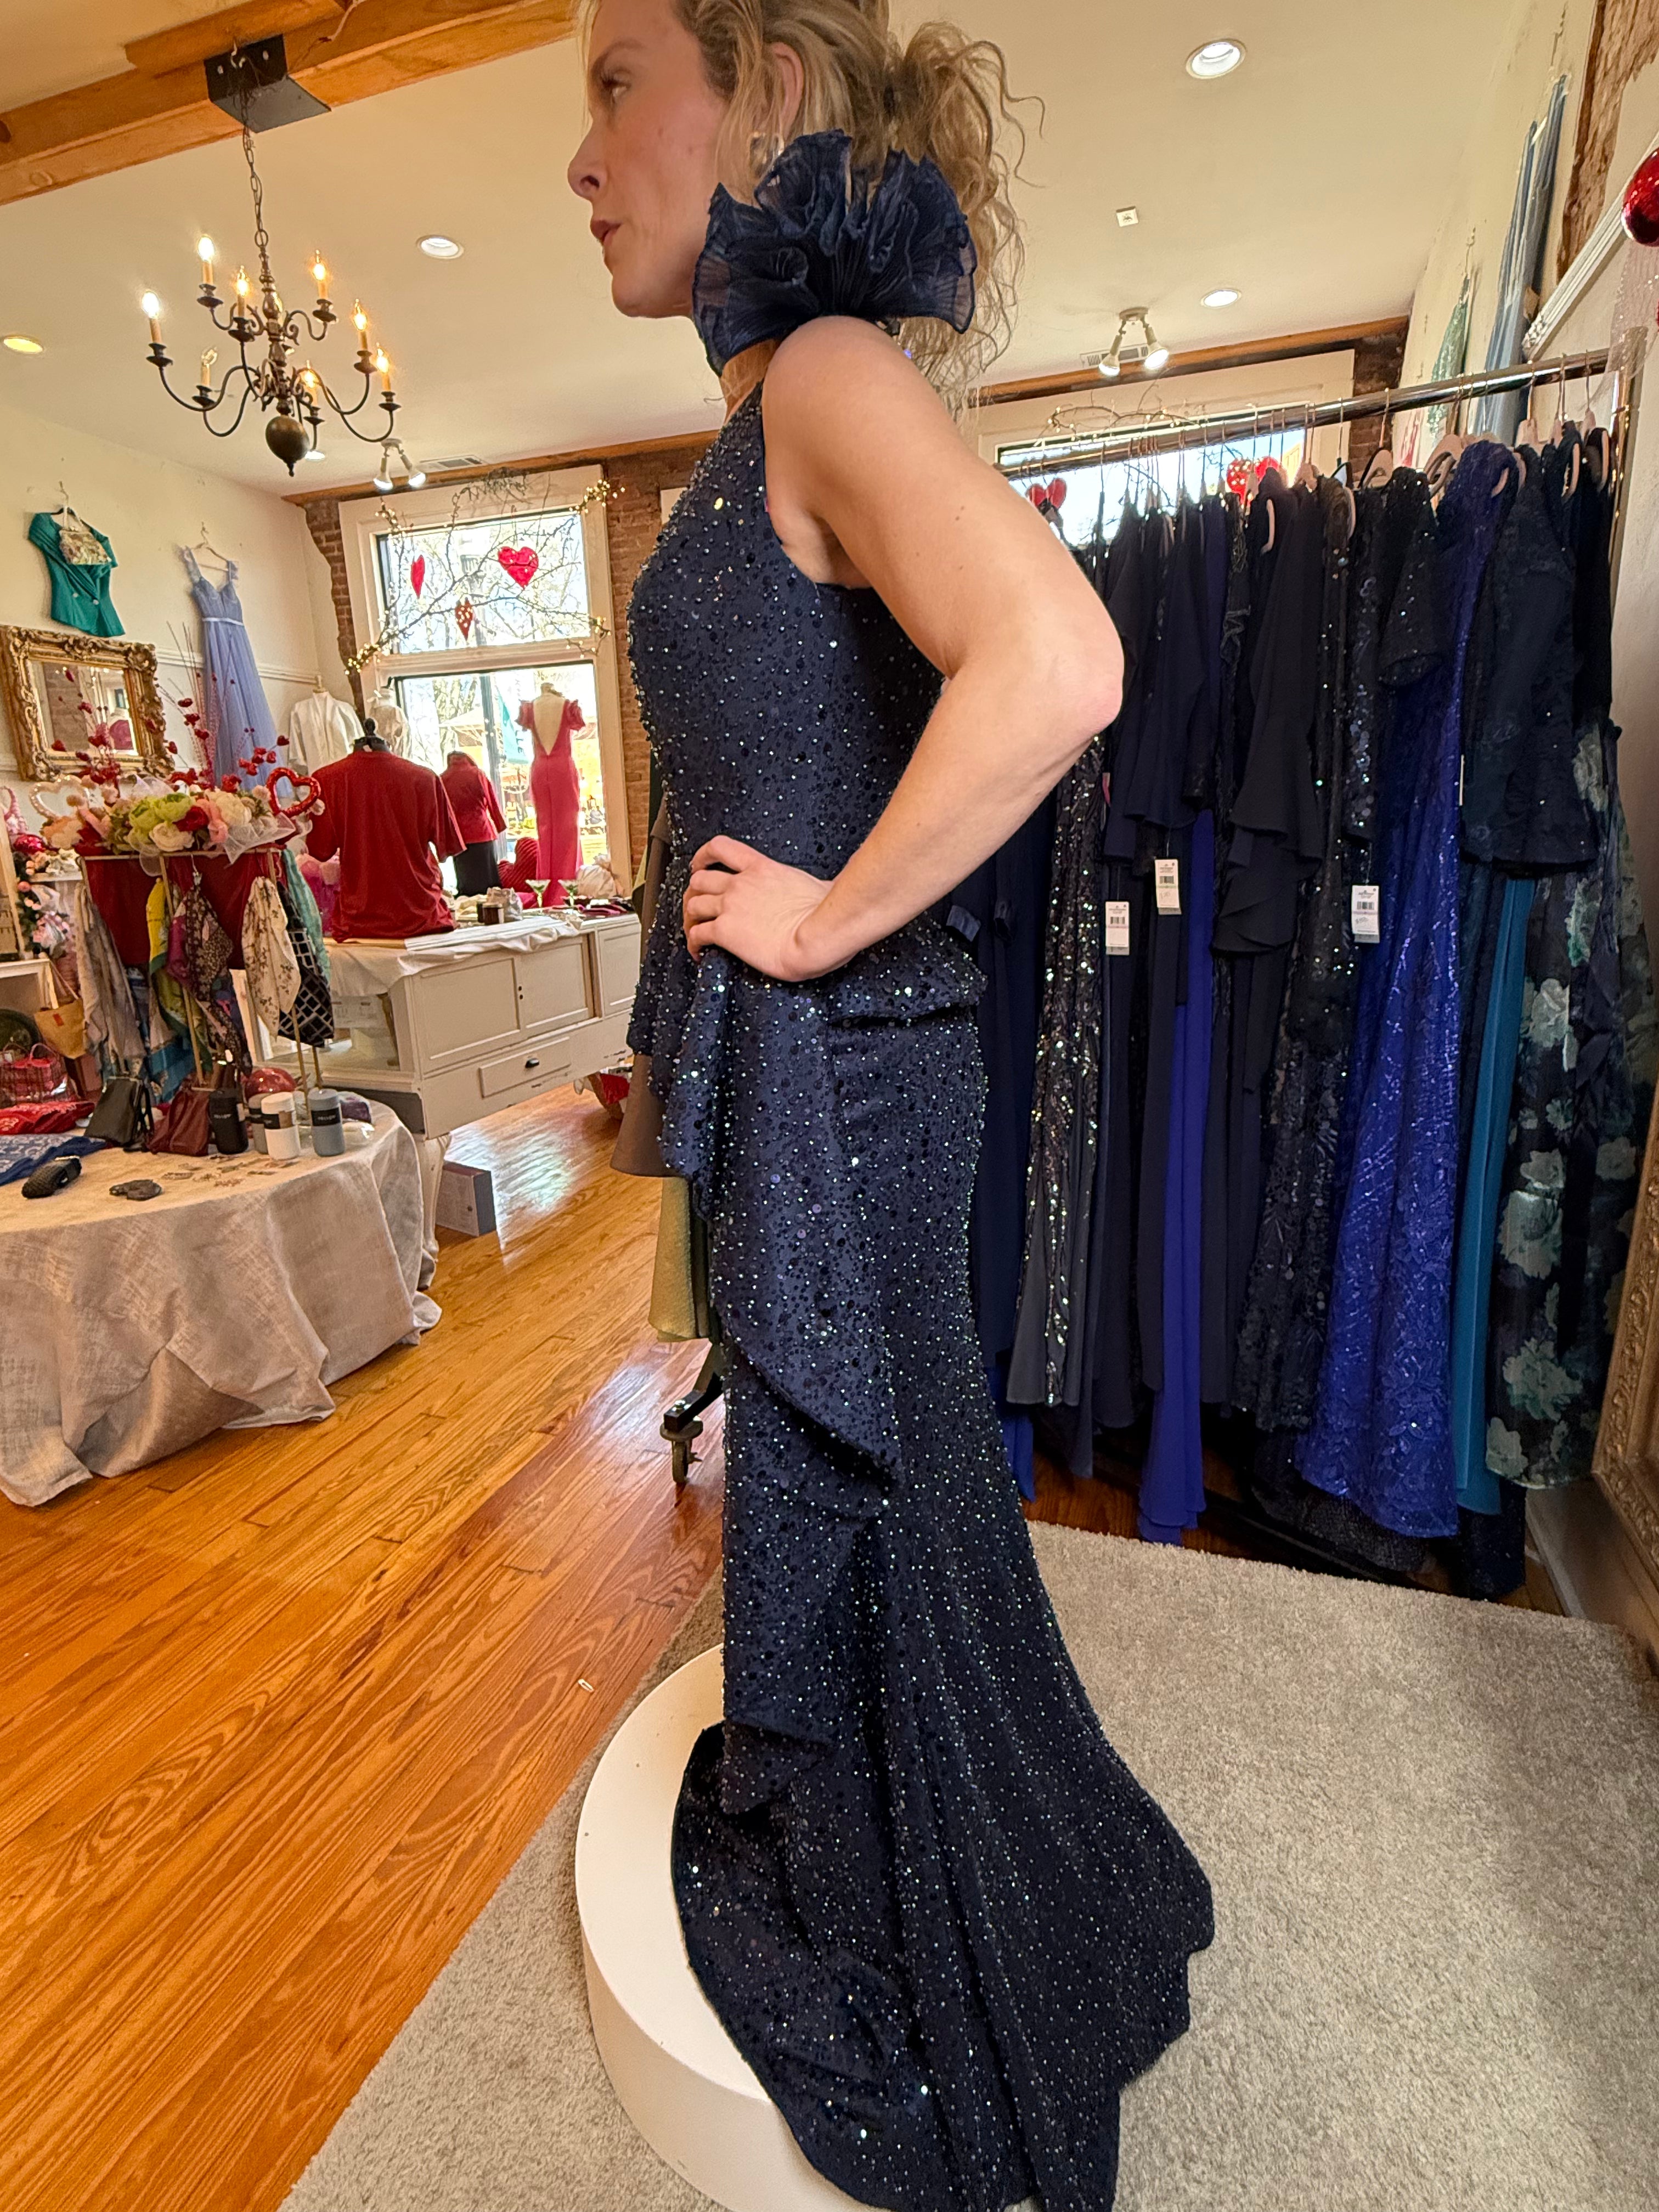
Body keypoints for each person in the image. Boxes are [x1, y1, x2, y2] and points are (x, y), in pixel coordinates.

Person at [569, 5, 1215, 2208]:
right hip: (825, 1081)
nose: (581, 154)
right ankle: (886, 1811)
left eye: (608, 78)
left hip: (852, 1074)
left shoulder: (832, 377)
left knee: (878, 1490)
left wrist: (831, 923)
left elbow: (1061, 660)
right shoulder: (777, 402)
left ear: (760, 94)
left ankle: (943, 1888)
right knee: (870, 1493)